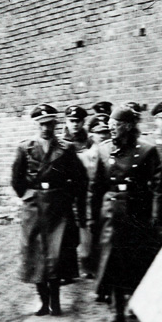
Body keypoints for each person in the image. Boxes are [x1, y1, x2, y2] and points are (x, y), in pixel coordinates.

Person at [89, 105, 162, 322]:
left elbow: (159, 187)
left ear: (129, 126)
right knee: (112, 261)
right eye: (110, 126)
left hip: (138, 213)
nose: (112, 130)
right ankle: (116, 311)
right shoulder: (103, 150)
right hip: (112, 215)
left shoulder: (147, 150)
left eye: (117, 126)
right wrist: (92, 218)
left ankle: (137, 304)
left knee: (137, 260)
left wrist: (156, 217)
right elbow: (96, 187)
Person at [11, 104, 87, 316]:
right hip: (34, 209)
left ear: (56, 124)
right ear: (37, 125)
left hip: (57, 207)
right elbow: (16, 179)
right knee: (36, 255)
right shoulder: (25, 148)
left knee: (56, 255)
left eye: (50, 124)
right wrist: (26, 196)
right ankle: (43, 302)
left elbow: (80, 178)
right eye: (42, 124)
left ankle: (56, 301)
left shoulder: (66, 148)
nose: (46, 128)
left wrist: (67, 196)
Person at [63, 104, 98, 279]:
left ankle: (88, 264)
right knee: (67, 229)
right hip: (67, 190)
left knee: (86, 224)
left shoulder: (90, 141)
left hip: (85, 188)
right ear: (66, 121)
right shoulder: (61, 141)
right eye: (71, 121)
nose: (75, 125)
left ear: (83, 122)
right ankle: (67, 270)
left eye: (78, 121)